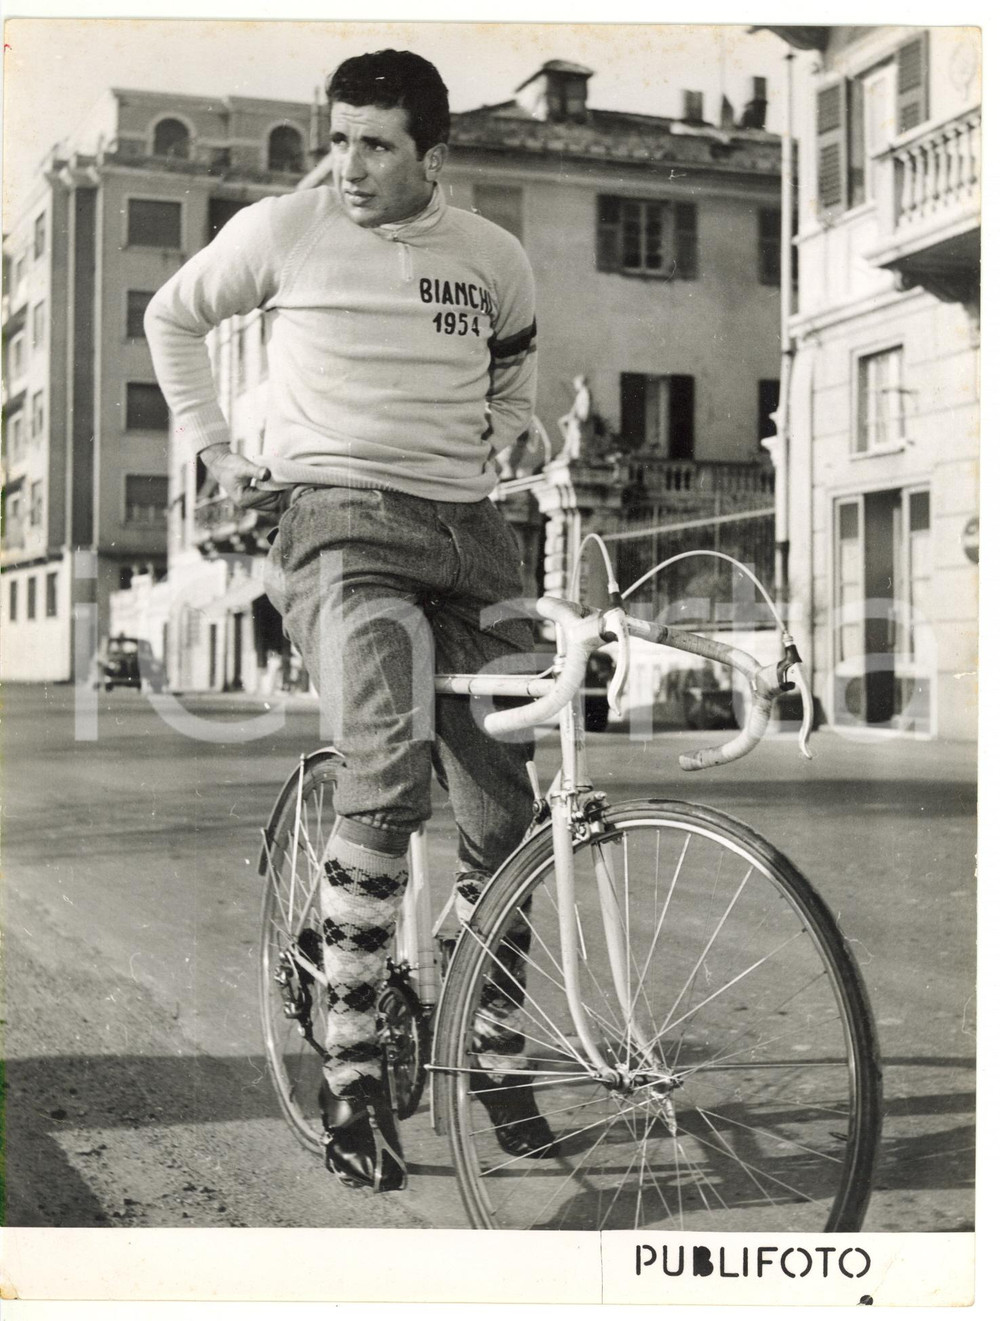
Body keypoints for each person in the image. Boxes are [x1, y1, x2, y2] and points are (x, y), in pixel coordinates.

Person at [145, 49, 557, 1192]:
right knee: (385, 776)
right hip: (338, 523)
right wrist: (216, 447)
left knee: (507, 813)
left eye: (375, 145)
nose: (348, 165)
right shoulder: (286, 228)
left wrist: (513, 424)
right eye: (338, 140)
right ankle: (353, 1072)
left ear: (435, 155)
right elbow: (172, 316)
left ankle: (490, 1048)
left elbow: (514, 370)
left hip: (473, 537)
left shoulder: (495, 256)